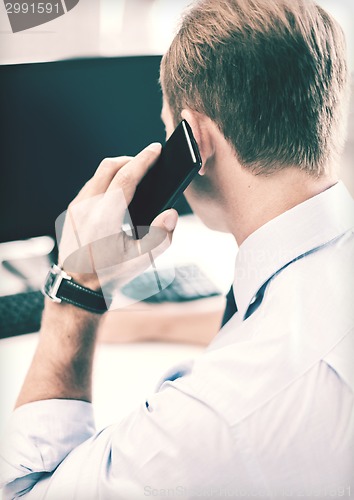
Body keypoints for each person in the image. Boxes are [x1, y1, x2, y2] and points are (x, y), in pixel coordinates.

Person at [1, 0, 353, 498]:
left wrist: (78, 288)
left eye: (170, 130)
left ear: (197, 141)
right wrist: (153, 323)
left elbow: (23, 491)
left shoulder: (212, 422)